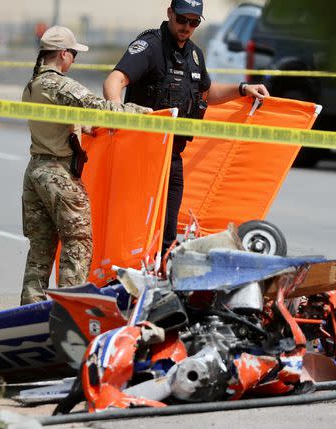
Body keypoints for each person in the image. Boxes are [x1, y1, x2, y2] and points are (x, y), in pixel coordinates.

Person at [103, 0, 269, 254]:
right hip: (141, 155)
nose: (187, 27)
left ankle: (158, 281)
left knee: (167, 235)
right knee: (135, 230)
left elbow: (206, 93)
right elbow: (115, 79)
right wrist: (117, 115)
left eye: (193, 22)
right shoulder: (150, 46)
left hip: (172, 156)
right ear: (170, 13)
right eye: (182, 20)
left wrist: (242, 89)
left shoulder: (194, 54)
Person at [20, 26, 152, 305]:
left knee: (40, 250)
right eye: (74, 55)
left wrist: (84, 129)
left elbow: (63, 121)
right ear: (63, 54)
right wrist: (143, 113)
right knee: (77, 244)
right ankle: (69, 310)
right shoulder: (59, 84)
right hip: (58, 176)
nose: (74, 60)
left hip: (35, 173)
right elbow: (99, 105)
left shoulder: (32, 85)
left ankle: (29, 312)